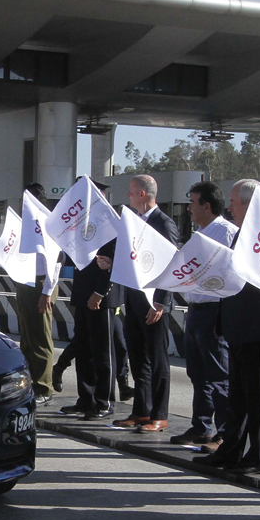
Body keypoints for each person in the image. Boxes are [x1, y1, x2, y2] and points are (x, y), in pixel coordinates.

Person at [193, 179, 260, 475]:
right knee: (238, 396)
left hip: (258, 324)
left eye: (234, 201)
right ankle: (231, 451)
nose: (230, 206)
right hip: (236, 322)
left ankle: (259, 457)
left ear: (249, 203)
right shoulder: (242, 234)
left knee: (257, 395)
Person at [98, 175, 180, 433]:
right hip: (133, 299)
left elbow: (171, 263)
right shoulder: (132, 223)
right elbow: (131, 257)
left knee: (158, 360)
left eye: (131, 193)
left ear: (143, 194)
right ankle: (141, 410)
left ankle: (160, 414)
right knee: (138, 358)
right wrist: (111, 262)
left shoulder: (163, 223)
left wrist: (161, 303)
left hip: (153, 303)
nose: (128, 197)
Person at [170, 181, 238, 451]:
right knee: (197, 373)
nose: (189, 209)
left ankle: (224, 432)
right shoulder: (199, 234)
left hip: (215, 310)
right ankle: (201, 426)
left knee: (218, 374)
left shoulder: (226, 232)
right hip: (196, 309)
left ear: (206, 206)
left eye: (193, 203)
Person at [59, 180, 123, 421]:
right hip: (83, 292)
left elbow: (115, 261)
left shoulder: (110, 221)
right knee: (84, 349)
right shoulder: (80, 221)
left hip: (102, 296)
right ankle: (86, 399)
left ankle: (104, 401)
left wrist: (100, 292)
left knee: (102, 352)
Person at [14, 184, 60, 406]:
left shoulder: (48, 223)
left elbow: (55, 264)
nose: (22, 205)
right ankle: (30, 383)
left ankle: (44, 387)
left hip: (42, 283)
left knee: (41, 338)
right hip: (25, 281)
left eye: (25, 200)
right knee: (27, 336)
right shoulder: (26, 225)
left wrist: (47, 293)